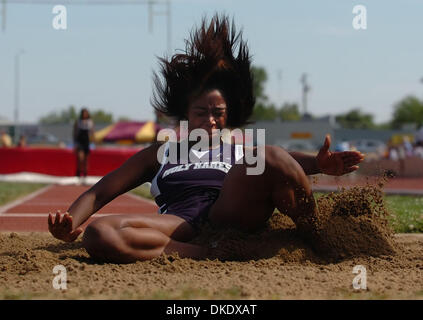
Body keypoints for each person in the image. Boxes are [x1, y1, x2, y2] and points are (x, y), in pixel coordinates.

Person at [48, 15, 364, 263]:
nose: (210, 120)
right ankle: (210, 253)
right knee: (99, 234)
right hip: (178, 226)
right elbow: (99, 193)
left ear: (229, 114)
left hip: (230, 214)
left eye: (218, 112)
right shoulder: (162, 152)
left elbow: (284, 163)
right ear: (186, 114)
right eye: (201, 111)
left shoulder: (240, 147)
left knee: (270, 155)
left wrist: (321, 164)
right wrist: (68, 222)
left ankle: (316, 238)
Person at [73, 108, 94, 178]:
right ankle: (78, 172)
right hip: (80, 142)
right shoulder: (78, 122)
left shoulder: (90, 122)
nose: (84, 115)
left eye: (86, 113)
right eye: (83, 113)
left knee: (86, 159)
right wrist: (75, 143)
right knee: (80, 158)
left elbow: (92, 132)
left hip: (86, 142)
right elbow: (75, 132)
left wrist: (93, 141)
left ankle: (85, 173)